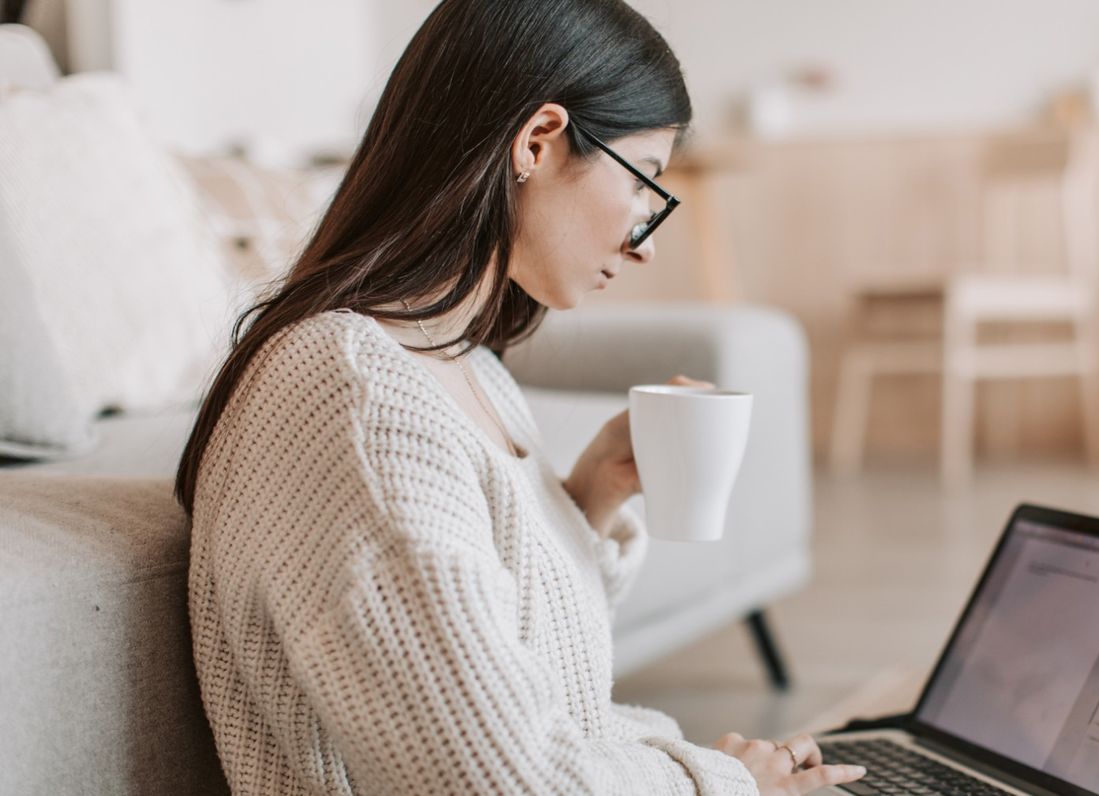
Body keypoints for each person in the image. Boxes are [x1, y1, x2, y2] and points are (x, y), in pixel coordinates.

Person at [173, 1, 868, 794]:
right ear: (537, 141)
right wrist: (724, 784)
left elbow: (532, 693)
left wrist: (584, 502)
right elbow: (496, 782)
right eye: (645, 182)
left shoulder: (466, 372)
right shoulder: (354, 396)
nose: (647, 238)